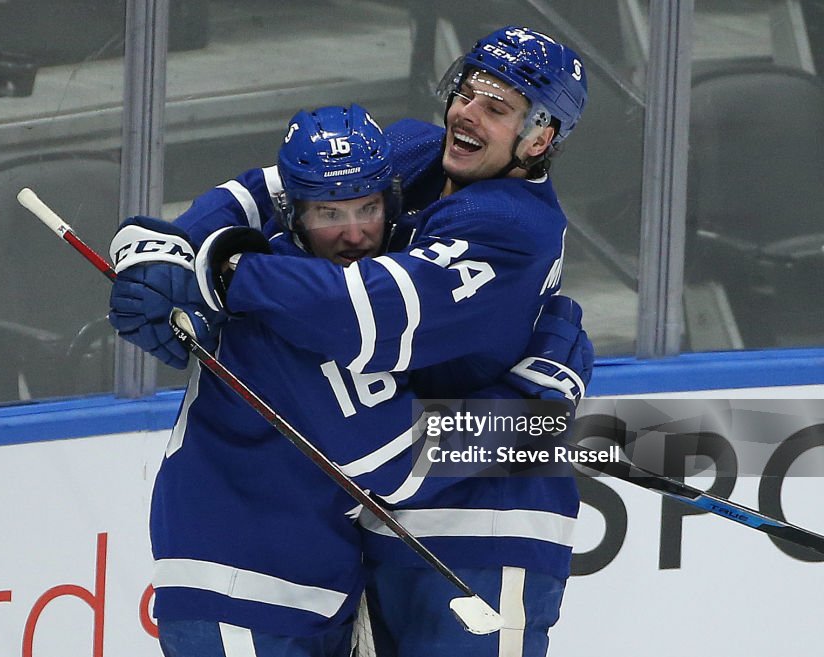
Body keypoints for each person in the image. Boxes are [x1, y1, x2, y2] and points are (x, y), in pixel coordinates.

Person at [111, 25, 589, 656]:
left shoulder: (513, 228)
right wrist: (165, 245)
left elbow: (360, 312)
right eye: (468, 91)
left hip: (487, 527)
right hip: (368, 537)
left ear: (540, 137)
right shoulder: (412, 156)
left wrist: (211, 268)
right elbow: (274, 187)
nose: (466, 113)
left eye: (496, 108)